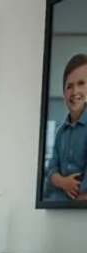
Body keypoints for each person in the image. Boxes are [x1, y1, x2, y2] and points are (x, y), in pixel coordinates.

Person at [43, 53, 87, 201]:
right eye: (69, 87)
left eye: (81, 83)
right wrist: (63, 183)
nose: (75, 92)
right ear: (63, 94)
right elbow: (51, 169)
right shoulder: (60, 132)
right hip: (56, 203)